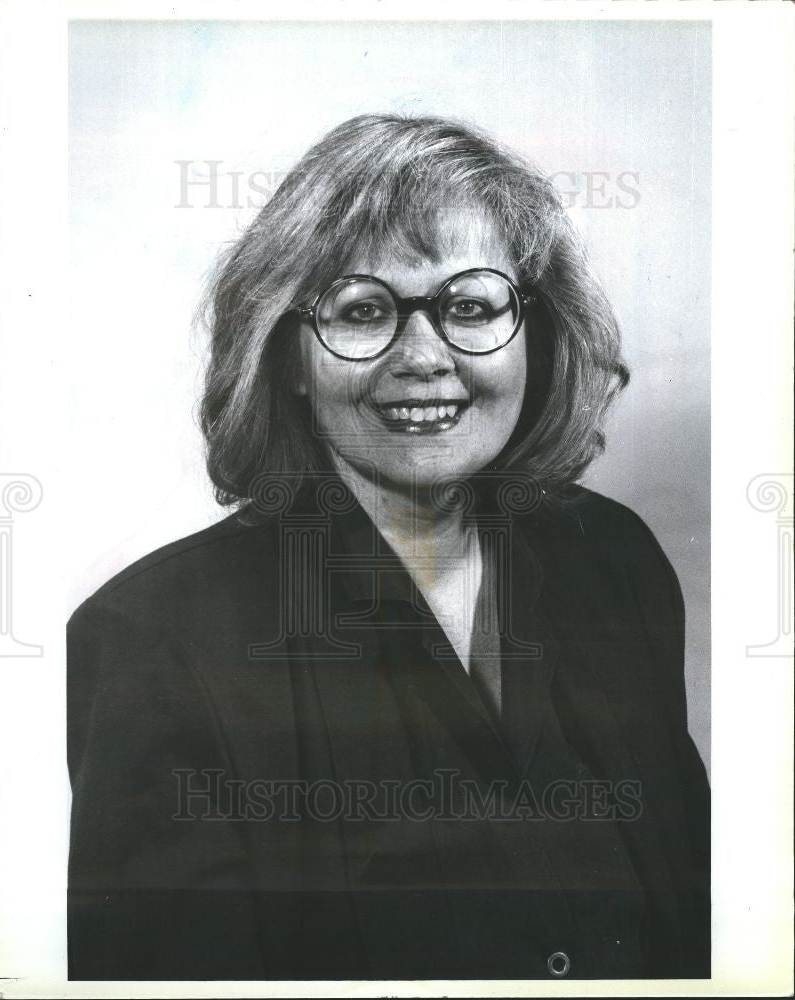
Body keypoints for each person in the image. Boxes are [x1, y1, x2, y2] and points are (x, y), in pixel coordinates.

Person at [67, 113, 710, 981]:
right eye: (364, 311)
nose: (423, 357)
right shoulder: (156, 640)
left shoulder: (613, 562)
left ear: (537, 335)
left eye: (470, 306)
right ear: (288, 356)